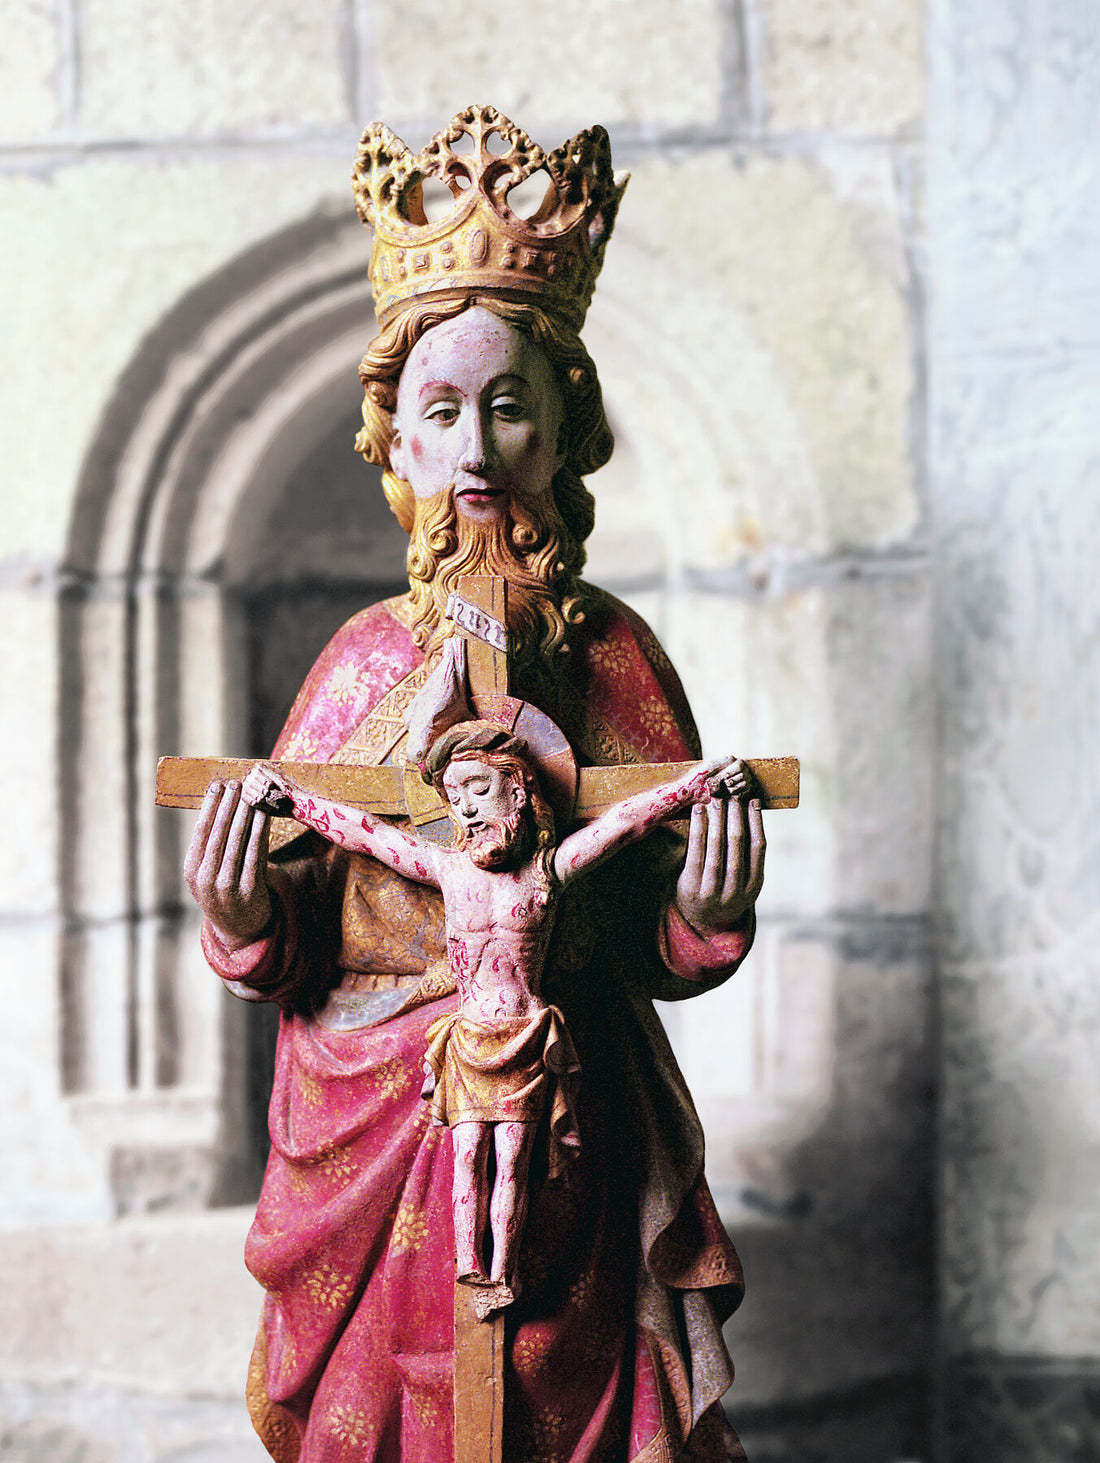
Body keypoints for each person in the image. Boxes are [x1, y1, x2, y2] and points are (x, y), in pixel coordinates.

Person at [186, 107, 766, 1462]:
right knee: (395, 1399)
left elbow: (651, 932)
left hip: (569, 1107)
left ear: (566, 427)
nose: (477, 448)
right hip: (373, 1104)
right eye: (439, 411)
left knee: (566, 1391)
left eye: (511, 404)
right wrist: (242, 912)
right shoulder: (358, 660)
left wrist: (704, 909)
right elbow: (288, 906)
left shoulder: (616, 652)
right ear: (394, 445)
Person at [241, 727, 755, 1321]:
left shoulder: (545, 876)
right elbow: (368, 835)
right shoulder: (449, 872)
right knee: (466, 1163)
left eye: (478, 790)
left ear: (519, 793)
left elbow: (626, 824)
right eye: (455, 796)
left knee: (509, 1165)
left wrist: (696, 786)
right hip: (466, 1042)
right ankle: (471, 1269)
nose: (464, 808)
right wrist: (290, 798)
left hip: (527, 1040)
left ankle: (502, 1272)